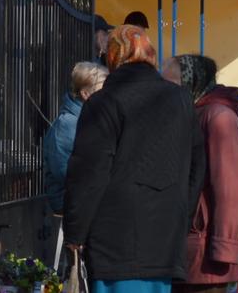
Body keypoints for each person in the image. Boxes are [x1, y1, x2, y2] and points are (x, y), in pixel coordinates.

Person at [63, 25, 206, 293]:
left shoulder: (103, 102)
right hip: (164, 238)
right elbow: (197, 166)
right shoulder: (180, 99)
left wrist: (75, 233)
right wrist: (181, 216)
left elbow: (88, 174)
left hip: (115, 241)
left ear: (114, 57)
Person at [163, 55, 238, 293]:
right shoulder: (189, 113)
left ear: (190, 82)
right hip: (186, 246)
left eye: (170, 82)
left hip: (206, 253)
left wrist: (226, 247)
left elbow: (232, 188)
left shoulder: (218, 117)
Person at [44, 62, 109, 216]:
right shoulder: (67, 124)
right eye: (103, 90)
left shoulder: (92, 119)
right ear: (85, 94)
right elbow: (65, 172)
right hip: (70, 202)